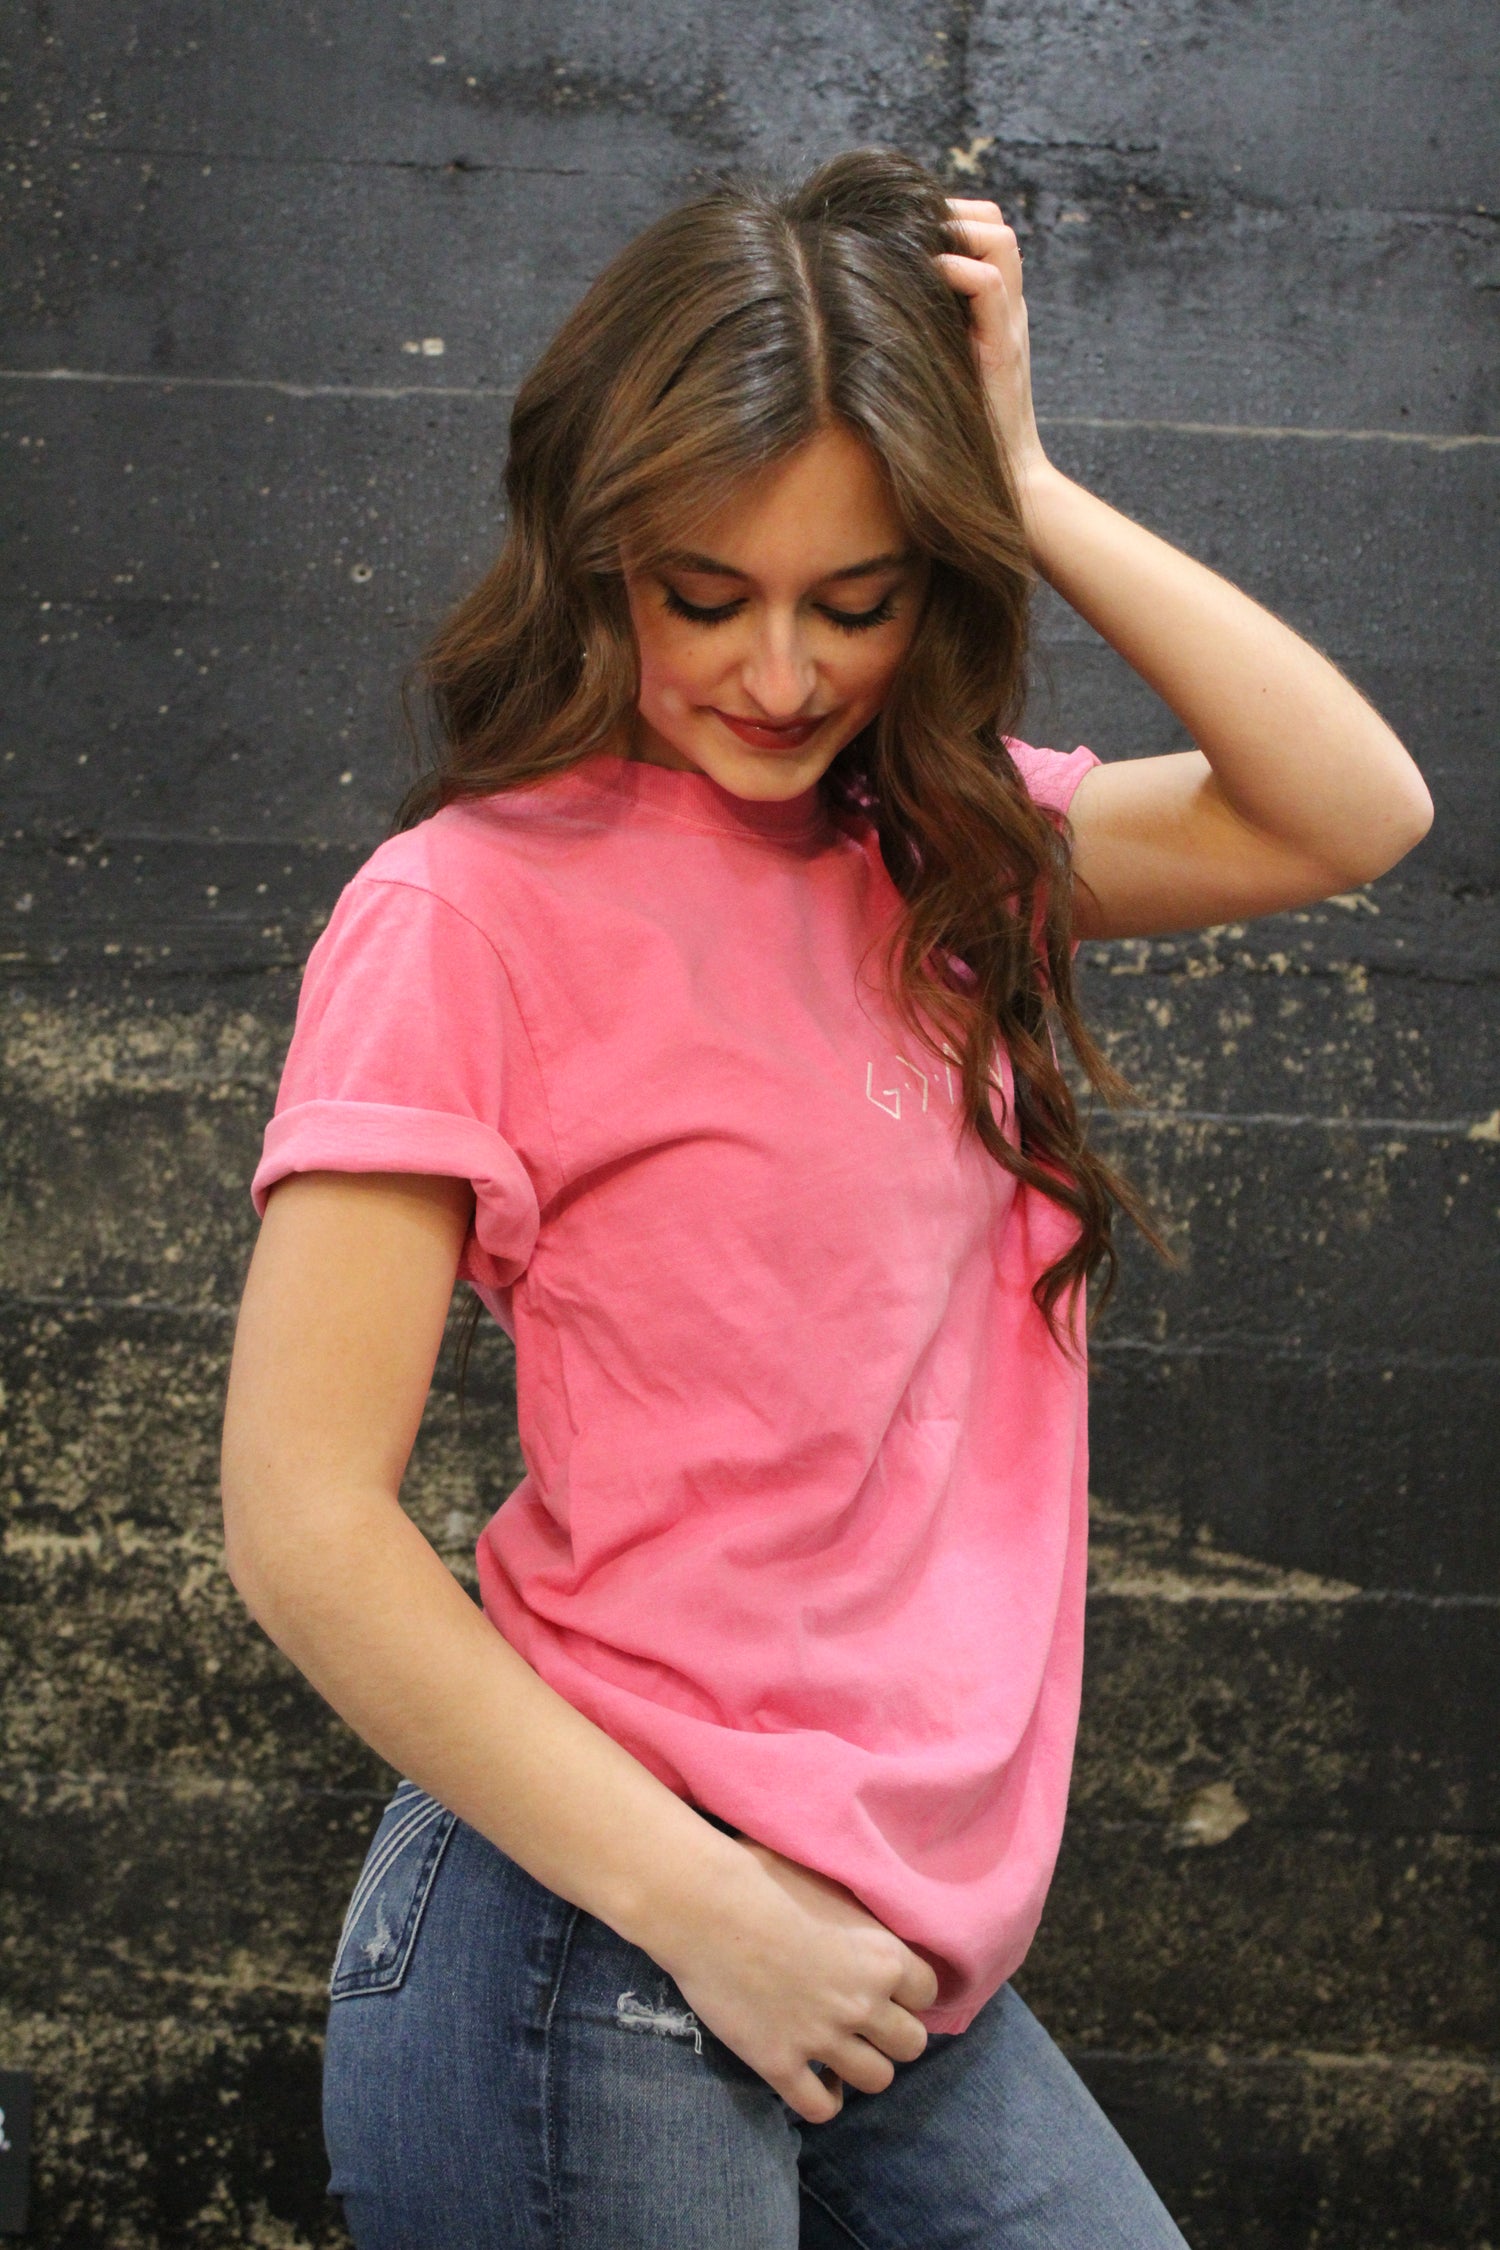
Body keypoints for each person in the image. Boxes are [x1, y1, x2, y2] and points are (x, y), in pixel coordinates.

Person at [219, 149, 1433, 2248]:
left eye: (854, 602)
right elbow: (301, 1520)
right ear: (596, 556)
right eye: (707, 596)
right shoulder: (463, 912)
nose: (780, 672)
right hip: (602, 1927)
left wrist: (1019, 476)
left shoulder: (951, 860)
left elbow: (1354, 807)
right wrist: (708, 1909)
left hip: (887, 1961)